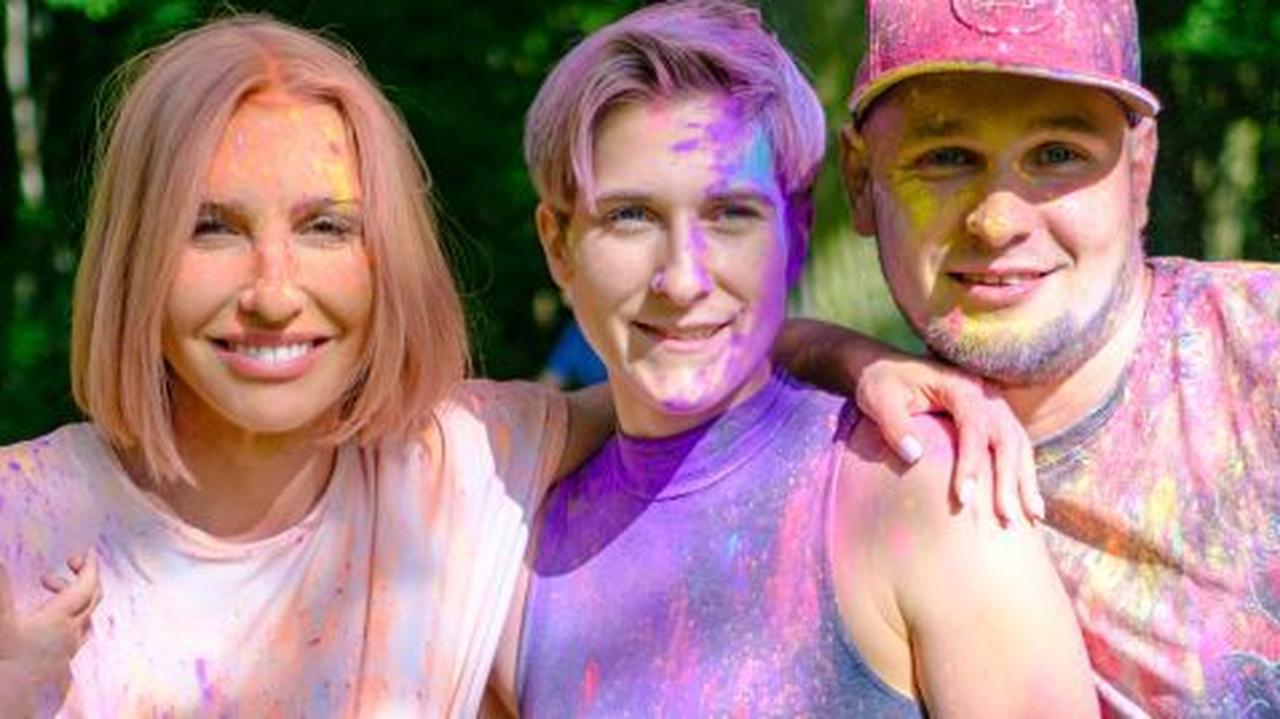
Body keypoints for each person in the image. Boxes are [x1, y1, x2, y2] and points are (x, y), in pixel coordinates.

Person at [0, 12, 1037, 717]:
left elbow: (679, 373)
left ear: (382, 259)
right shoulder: (20, 525)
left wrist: (853, 360)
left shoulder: (457, 471)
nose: (274, 290)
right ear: (135, 253)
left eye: (325, 226)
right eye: (212, 227)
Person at [498, 2, 1097, 715]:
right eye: (631, 216)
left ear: (797, 231)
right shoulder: (512, 552)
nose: (683, 279)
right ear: (558, 247)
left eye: (730, 214)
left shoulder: (926, 491)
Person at [801, 0, 1280, 714]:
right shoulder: (856, 462)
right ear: (860, 180)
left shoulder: (1260, 349)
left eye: (1057, 154)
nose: (997, 222)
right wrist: (835, 355)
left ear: (1140, 172)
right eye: (947, 157)